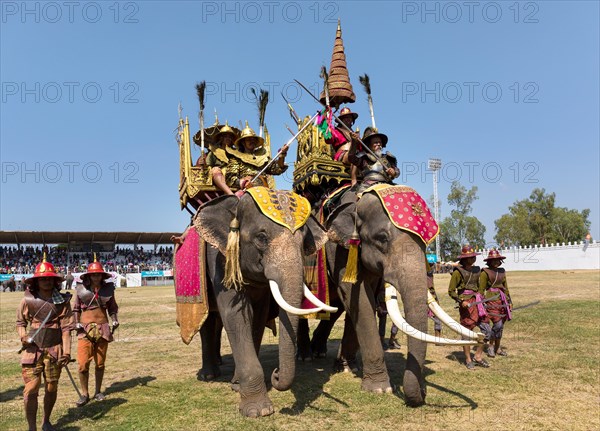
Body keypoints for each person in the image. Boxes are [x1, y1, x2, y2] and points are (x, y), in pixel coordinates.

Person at [16, 256, 73, 431]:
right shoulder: (27, 300)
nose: (47, 281)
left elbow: (66, 329)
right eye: (43, 278)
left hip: (54, 350)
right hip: (33, 350)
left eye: (50, 278)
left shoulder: (63, 302)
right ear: (37, 281)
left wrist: (67, 352)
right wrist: (23, 335)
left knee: (51, 386)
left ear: (55, 281)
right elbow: (20, 323)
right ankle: (31, 427)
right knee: (31, 389)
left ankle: (46, 421)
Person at [73, 257, 119, 406]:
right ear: (88, 276)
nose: (96, 277)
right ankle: (84, 394)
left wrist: (115, 319)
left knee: (100, 363)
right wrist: (76, 322)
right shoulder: (81, 290)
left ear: (102, 276)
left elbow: (112, 308)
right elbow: (76, 309)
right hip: (84, 330)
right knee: (82, 364)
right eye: (93, 274)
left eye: (98, 274)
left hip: (103, 327)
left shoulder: (108, 290)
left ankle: (98, 391)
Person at [448, 245, 491, 370]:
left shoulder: (478, 270)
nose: (472, 259)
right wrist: (461, 301)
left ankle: (478, 356)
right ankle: (467, 359)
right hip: (466, 305)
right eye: (470, 257)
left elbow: (481, 287)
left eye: (473, 257)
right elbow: (451, 291)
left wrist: (482, 297)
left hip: (478, 303)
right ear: (464, 259)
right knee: (467, 332)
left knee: (486, 329)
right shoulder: (457, 272)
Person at [225, 122, 288, 191]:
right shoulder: (236, 158)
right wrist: (243, 182)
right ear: (243, 142)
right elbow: (230, 178)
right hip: (247, 190)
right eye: (249, 139)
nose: (252, 141)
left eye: (253, 139)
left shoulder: (262, 156)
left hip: (265, 188)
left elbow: (276, 169)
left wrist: (282, 155)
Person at [480, 249, 512, 358]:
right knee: (497, 324)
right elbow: (481, 290)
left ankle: (498, 348)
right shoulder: (485, 273)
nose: (496, 262)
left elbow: (506, 287)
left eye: (498, 260)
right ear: (489, 261)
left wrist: (509, 301)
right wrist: (481, 303)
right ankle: (490, 346)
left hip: (502, 301)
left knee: (500, 326)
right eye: (493, 260)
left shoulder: (502, 271)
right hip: (490, 301)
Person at [348, 127, 400, 193]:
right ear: (369, 145)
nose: (378, 144)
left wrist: (394, 172)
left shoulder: (388, 157)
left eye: (380, 142)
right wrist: (354, 142)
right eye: (375, 142)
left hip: (388, 183)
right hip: (368, 185)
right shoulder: (364, 157)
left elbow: (397, 170)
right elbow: (351, 158)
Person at [206, 123, 238, 196]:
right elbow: (209, 165)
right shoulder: (214, 151)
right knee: (215, 170)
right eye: (225, 136)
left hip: (234, 174)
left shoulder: (236, 153)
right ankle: (230, 194)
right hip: (220, 174)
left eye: (230, 137)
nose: (228, 139)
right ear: (221, 138)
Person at [426, 261, 443, 342]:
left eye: (432, 265)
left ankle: (438, 337)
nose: (432, 267)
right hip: (420, 296)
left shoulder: (430, 274)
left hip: (432, 296)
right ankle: (392, 337)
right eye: (430, 265)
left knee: (438, 315)